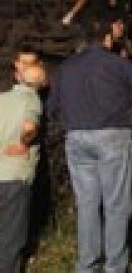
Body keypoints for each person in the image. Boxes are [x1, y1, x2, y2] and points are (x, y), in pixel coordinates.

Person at [48, 17, 132, 273]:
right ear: (108, 37)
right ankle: (115, 264)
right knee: (116, 204)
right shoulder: (121, 65)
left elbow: (52, 107)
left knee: (87, 203)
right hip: (113, 135)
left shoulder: (66, 67)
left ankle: (87, 263)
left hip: (76, 137)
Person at [0, 61, 44, 273]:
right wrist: (24, 142)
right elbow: (29, 127)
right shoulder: (32, 100)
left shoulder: (2, 99)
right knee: (11, 235)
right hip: (15, 175)